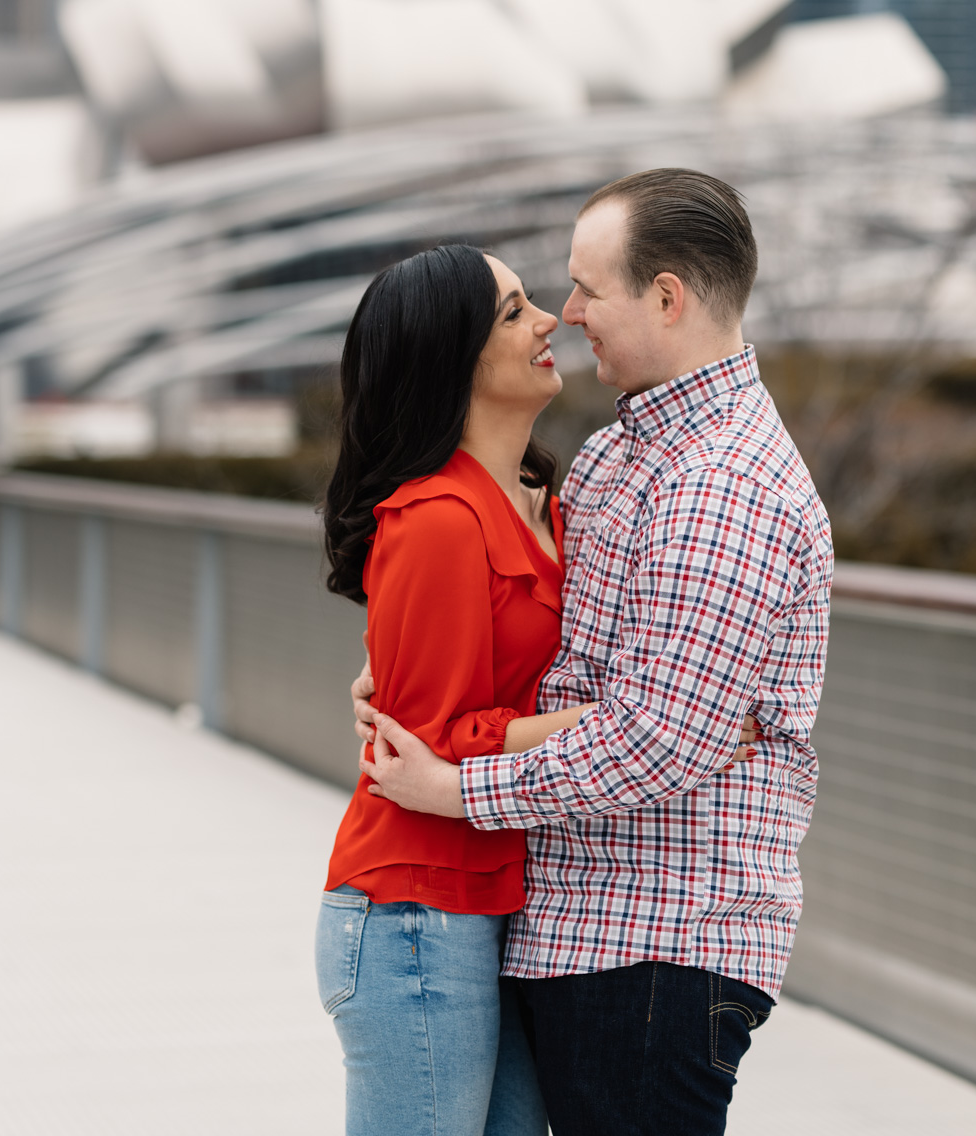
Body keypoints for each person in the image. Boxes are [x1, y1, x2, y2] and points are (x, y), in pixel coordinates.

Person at [356, 168, 834, 1136]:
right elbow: (548, 646)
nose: (567, 313)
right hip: (573, 928)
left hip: (657, 943)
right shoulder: (623, 452)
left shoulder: (720, 483)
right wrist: (405, 671)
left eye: (586, 288)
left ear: (666, 296)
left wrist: (453, 788)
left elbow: (661, 738)